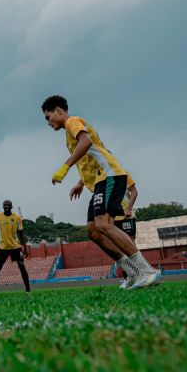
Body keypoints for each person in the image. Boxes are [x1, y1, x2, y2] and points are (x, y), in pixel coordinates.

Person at [42, 95, 160, 289]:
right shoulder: (68, 133)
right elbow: (93, 153)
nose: (48, 122)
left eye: (48, 117)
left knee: (104, 225)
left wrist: (65, 167)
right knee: (93, 230)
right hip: (100, 179)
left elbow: (86, 142)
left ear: (59, 111)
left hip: (109, 176)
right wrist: (81, 182)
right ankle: (131, 271)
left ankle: (147, 271)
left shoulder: (72, 121)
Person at [0, 200, 30, 295]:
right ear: (2, 206)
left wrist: (25, 247)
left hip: (15, 246)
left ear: (11, 206)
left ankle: (28, 290)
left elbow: (21, 234)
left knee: (22, 266)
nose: (7, 206)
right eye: (5, 205)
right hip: (2, 247)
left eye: (9, 205)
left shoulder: (17, 217)